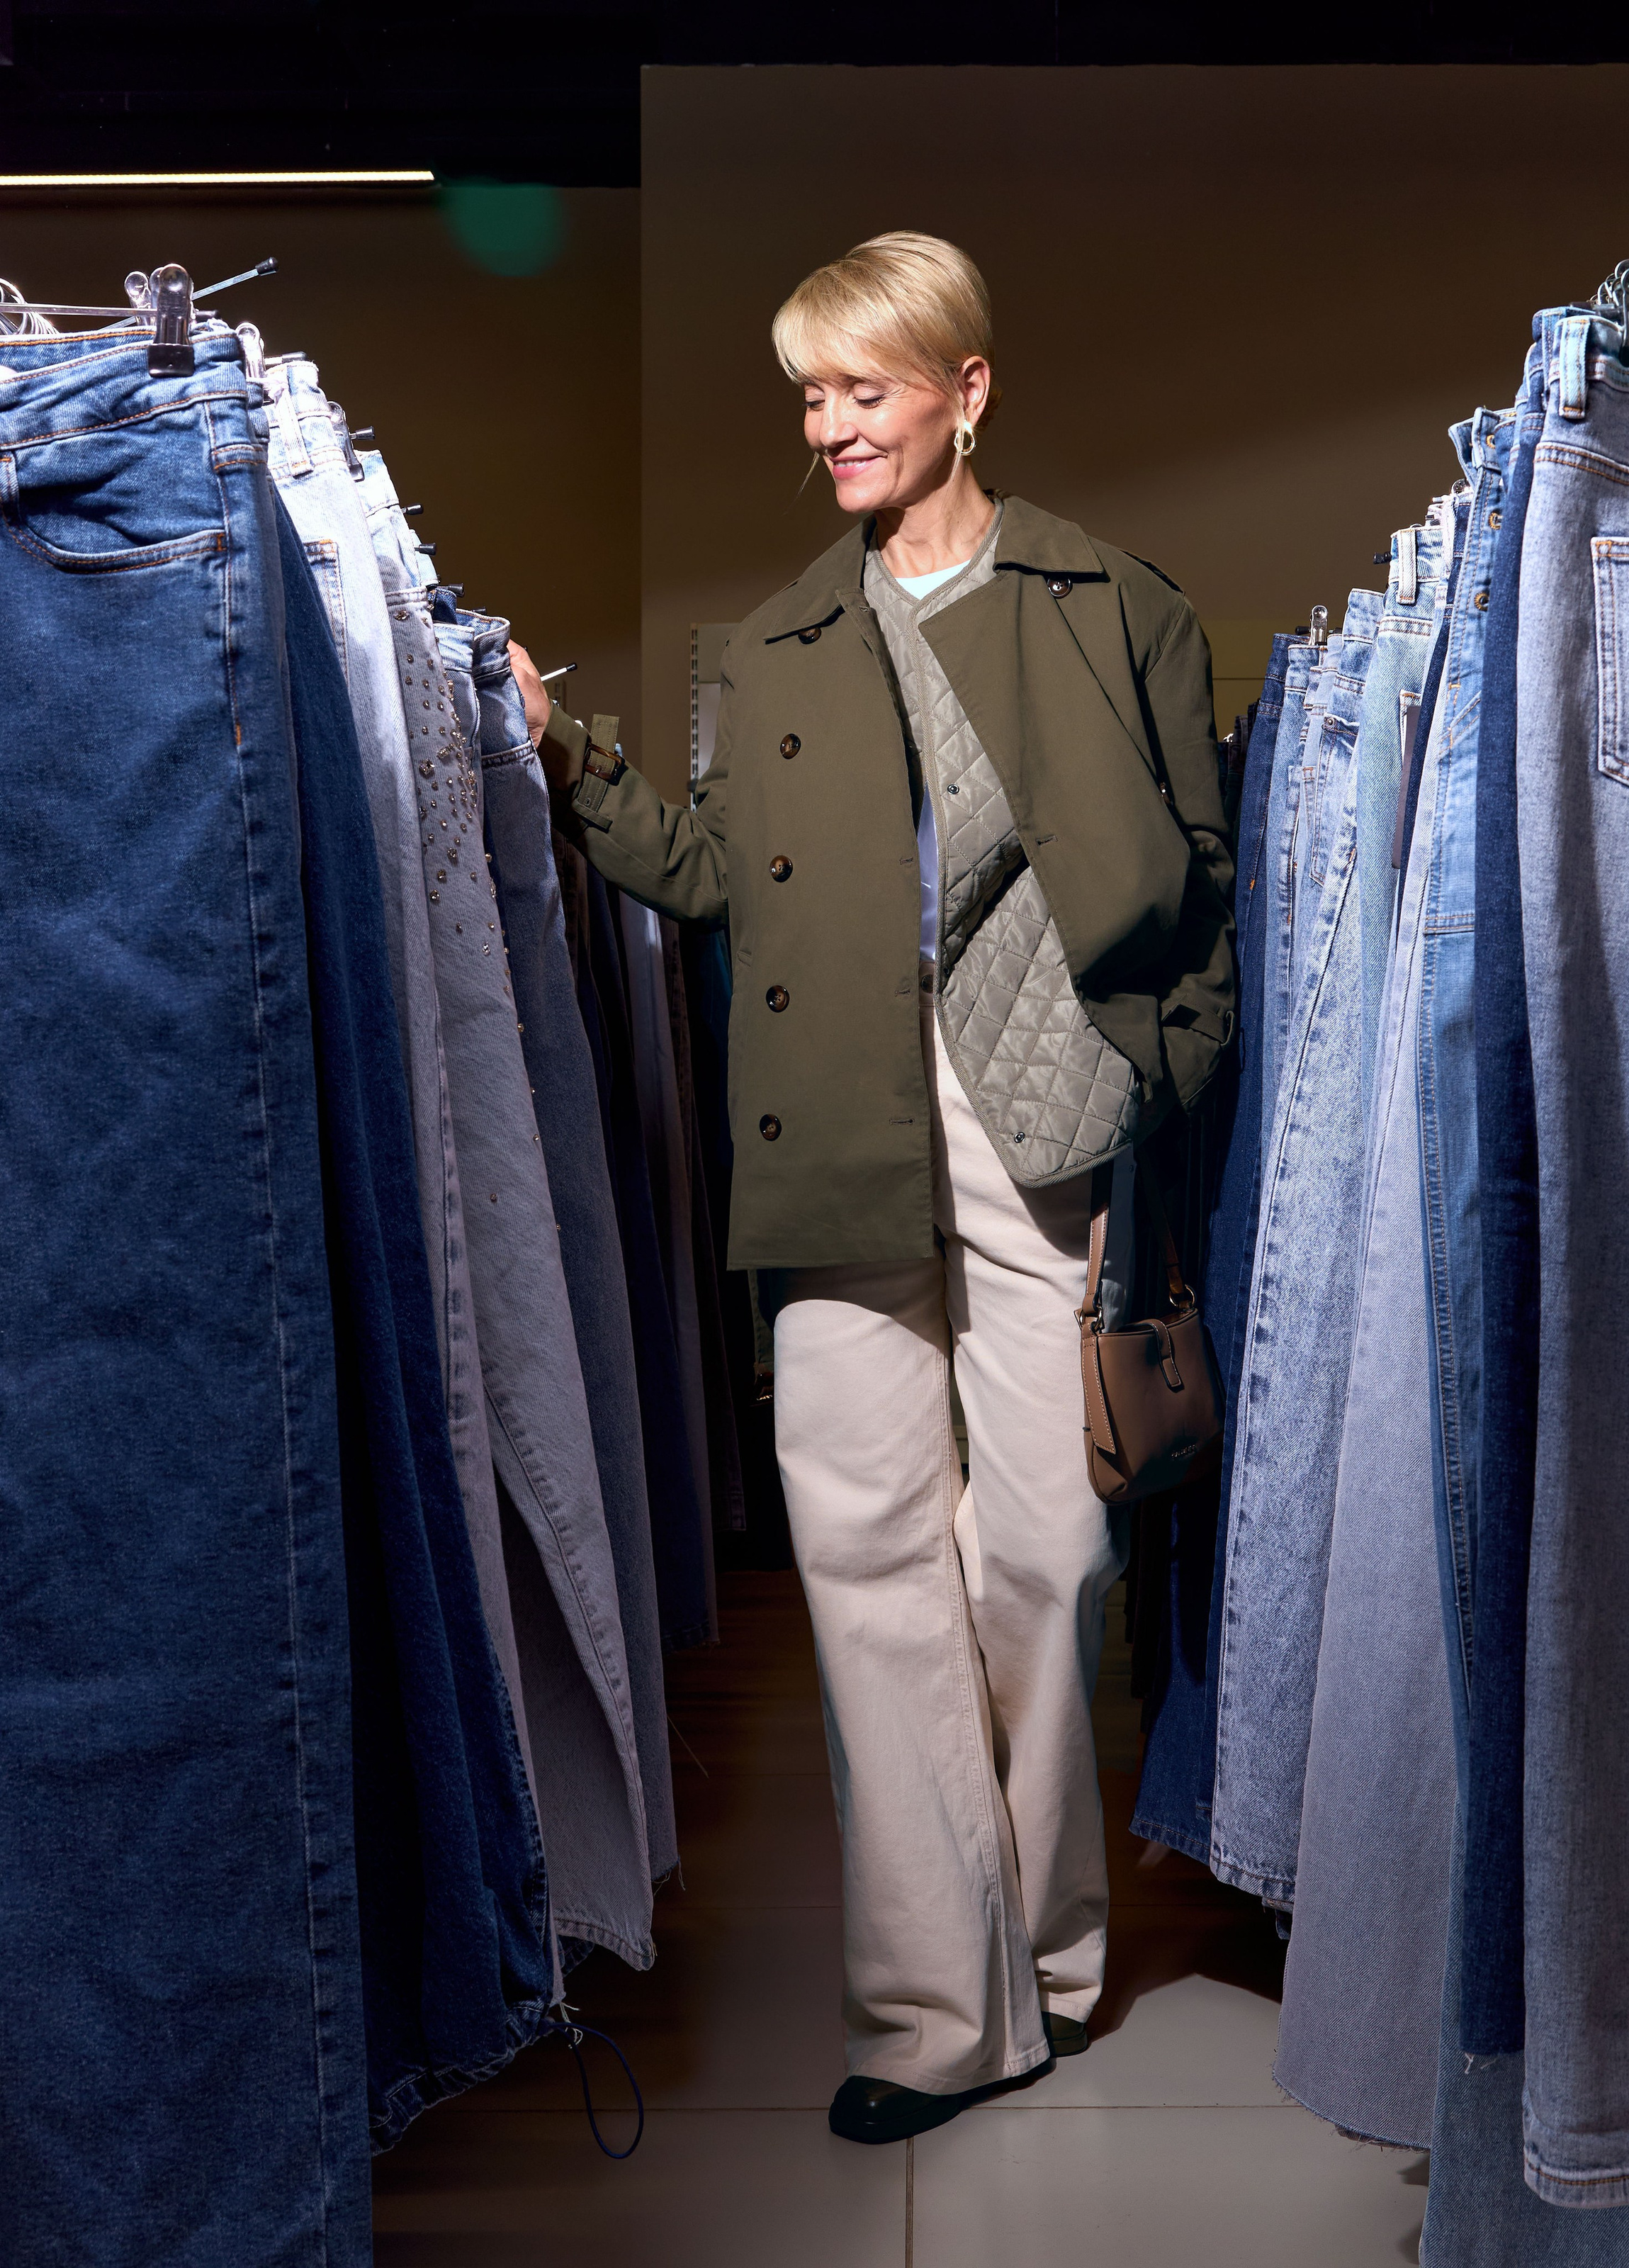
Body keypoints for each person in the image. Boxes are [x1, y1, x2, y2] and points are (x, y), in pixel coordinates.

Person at [514, 230, 1235, 2145]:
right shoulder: (775, 650)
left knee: (1048, 1561)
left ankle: (1053, 1956)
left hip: (1049, 1113)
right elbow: (716, 877)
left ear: (967, 390)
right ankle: (937, 2016)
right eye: (810, 397)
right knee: (868, 1579)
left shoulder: (1114, 601)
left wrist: (1166, 1062)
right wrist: (568, 758)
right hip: (832, 1115)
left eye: (865, 388)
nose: (829, 426)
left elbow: (1203, 882)